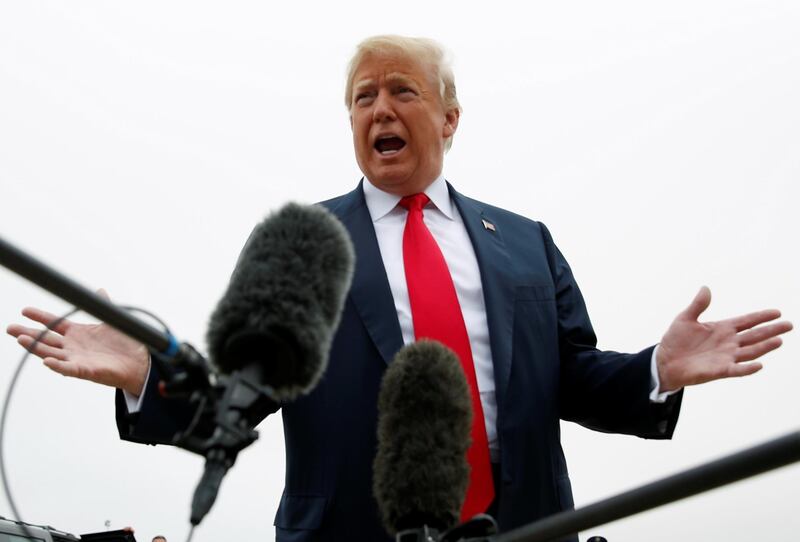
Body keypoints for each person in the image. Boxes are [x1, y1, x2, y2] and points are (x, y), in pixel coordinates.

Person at [6, 36, 792, 542]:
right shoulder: (301, 245)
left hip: (523, 528)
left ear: (449, 118)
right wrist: (147, 374)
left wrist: (659, 368)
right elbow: (237, 401)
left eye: (402, 90)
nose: (380, 107)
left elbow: (576, 379)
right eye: (362, 96)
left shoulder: (524, 241)